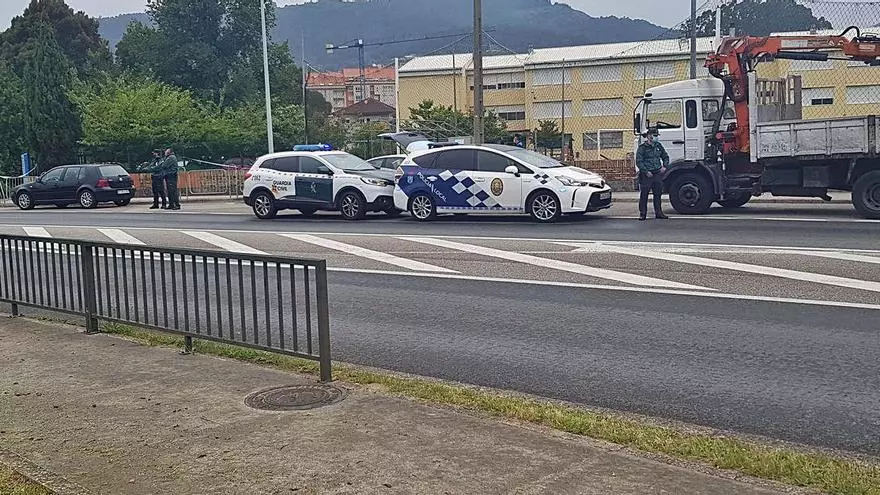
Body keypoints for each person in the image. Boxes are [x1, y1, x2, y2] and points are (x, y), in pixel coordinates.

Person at [635, 130, 670, 221]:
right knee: (644, 195)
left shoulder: (658, 146)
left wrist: (665, 166)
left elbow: (665, 156)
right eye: (653, 135)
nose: (654, 137)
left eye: (656, 135)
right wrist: (646, 171)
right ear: (648, 136)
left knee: (658, 194)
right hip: (647, 175)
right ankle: (643, 214)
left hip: (657, 173)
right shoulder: (643, 148)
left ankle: (659, 212)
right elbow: (639, 161)